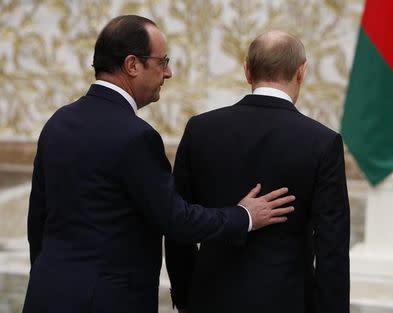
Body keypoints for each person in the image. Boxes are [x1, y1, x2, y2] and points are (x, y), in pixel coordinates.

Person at [22, 16, 296, 313]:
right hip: (105, 301)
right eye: (162, 61)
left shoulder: (58, 122)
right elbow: (175, 220)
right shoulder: (136, 137)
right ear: (132, 65)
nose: (168, 72)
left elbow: (38, 220)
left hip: (46, 293)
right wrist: (244, 216)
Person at [165, 30, 350, 313]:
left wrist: (185, 294)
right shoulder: (323, 142)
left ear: (247, 71)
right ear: (301, 72)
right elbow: (332, 247)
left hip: (209, 296)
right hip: (285, 300)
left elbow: (179, 225)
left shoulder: (201, 130)